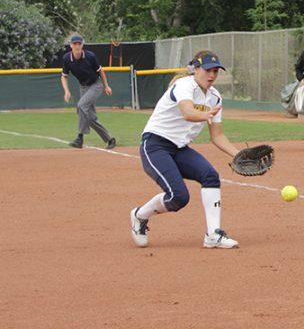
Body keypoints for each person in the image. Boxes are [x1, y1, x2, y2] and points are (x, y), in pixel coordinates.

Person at [129, 50, 242, 249]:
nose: (212, 75)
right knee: (178, 197)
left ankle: (213, 235)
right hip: (155, 144)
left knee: (210, 176)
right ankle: (139, 215)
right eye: (207, 70)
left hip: (179, 148)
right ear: (196, 69)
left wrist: (239, 155)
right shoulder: (184, 85)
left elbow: (217, 136)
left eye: (216, 71)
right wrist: (206, 114)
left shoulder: (215, 98)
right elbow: (188, 112)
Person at [60, 34, 117, 149]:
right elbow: (64, 76)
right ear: (71, 45)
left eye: (79, 44)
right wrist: (66, 91)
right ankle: (110, 139)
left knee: (81, 106)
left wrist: (106, 86)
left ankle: (80, 137)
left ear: (82, 45)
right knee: (89, 117)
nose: (77, 46)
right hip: (83, 87)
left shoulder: (90, 56)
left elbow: (101, 71)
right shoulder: (67, 58)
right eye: (74, 44)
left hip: (96, 85)